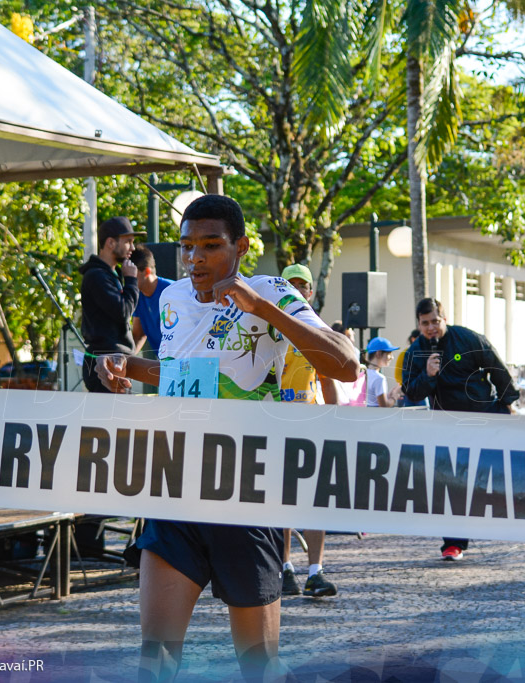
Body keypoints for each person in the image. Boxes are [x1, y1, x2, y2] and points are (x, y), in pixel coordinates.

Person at [95, 195, 360, 682]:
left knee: (258, 667)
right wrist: (124, 364)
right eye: (187, 247)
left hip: (245, 495)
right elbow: (182, 374)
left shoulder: (271, 290)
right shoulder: (172, 299)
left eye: (211, 246)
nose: (196, 258)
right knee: (154, 662)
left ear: (239, 248)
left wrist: (262, 308)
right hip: (176, 491)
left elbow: (346, 364)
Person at [401, 298, 519, 561]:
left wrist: (506, 404)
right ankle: (453, 543)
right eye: (425, 323)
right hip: (446, 426)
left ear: (444, 319)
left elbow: (498, 370)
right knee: (450, 483)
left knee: (487, 477)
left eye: (435, 321)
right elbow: (411, 391)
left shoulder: (467, 339)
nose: (431, 328)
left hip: (482, 417)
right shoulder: (415, 352)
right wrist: (428, 376)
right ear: (418, 325)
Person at [277, 263, 337, 599]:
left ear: (311, 293)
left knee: (315, 501)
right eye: (290, 285)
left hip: (311, 424)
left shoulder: (317, 331)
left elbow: (328, 379)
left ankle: (316, 572)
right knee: (283, 502)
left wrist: (335, 420)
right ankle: (285, 569)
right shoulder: (267, 329)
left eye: (303, 286)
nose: (297, 290)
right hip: (276, 425)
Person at [79, 216, 144, 392]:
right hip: (104, 365)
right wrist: (131, 280)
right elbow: (123, 311)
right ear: (110, 243)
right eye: (128, 241)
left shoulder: (108, 274)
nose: (132, 247)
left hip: (114, 362)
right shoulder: (96, 276)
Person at [130, 244, 174, 357]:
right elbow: (138, 335)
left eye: (131, 274)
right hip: (163, 361)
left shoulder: (172, 291)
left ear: (147, 271)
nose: (127, 278)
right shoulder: (138, 296)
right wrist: (123, 360)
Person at [364, 337, 404, 407]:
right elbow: (384, 406)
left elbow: (373, 400)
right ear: (378, 353)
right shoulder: (379, 378)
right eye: (389, 353)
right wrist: (395, 396)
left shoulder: (362, 374)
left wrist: (389, 395)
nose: (392, 357)